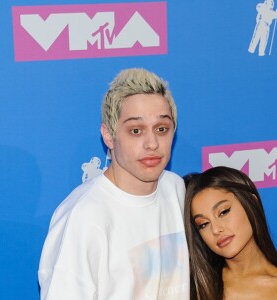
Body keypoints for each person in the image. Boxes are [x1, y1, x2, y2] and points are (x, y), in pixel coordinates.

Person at [38, 68, 190, 299]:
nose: (152, 143)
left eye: (161, 129)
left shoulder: (176, 189)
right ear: (109, 135)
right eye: (136, 131)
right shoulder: (83, 216)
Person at [183, 166, 277, 300]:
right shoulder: (193, 287)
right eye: (203, 224)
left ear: (251, 202)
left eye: (223, 212)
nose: (215, 229)